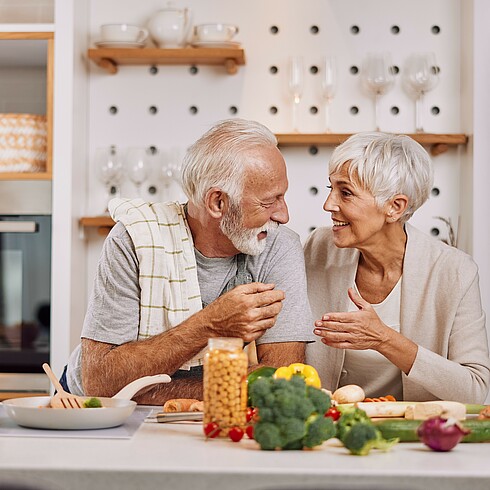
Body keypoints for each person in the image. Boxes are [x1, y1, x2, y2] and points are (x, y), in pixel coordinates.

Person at [64, 118, 313, 404]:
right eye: (269, 202)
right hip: (85, 405)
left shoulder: (278, 244)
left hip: (189, 408)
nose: (283, 215)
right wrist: (210, 325)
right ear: (218, 203)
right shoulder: (134, 238)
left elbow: (281, 381)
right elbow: (101, 382)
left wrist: (144, 389)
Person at [305, 132, 490, 403]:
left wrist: (384, 339)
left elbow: (474, 390)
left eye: (345, 193)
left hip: (411, 437)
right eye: (330, 189)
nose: (328, 204)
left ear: (395, 207)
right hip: (327, 428)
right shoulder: (318, 247)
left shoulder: (454, 271)